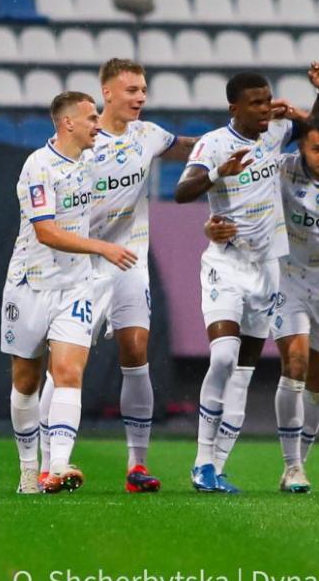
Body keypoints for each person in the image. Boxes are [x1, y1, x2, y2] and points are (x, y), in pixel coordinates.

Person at [205, 107, 319, 493]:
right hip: (288, 281)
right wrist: (211, 224)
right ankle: (292, 466)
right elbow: (237, 195)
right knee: (295, 363)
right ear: (302, 147)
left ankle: (299, 462)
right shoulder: (281, 169)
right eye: (317, 149)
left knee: (318, 380)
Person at [37, 58, 199, 494]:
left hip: (128, 259)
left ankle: (137, 464)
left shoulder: (147, 135)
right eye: (131, 90)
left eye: (143, 89)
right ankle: (48, 461)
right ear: (107, 93)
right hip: (81, 265)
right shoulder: (82, 143)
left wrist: (227, 144)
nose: (140, 97)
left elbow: (186, 146)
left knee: (136, 351)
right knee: (65, 366)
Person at [174, 68, 319, 494]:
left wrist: (317, 97)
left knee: (243, 372)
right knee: (224, 357)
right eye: (256, 103)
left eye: (267, 100)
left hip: (266, 270)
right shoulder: (213, 144)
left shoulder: (275, 132)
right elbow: (183, 192)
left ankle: (217, 469)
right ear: (235, 107)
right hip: (226, 265)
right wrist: (217, 173)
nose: (264, 109)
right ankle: (201, 461)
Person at [0, 91, 137, 495]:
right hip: (30, 284)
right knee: (26, 382)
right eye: (91, 118)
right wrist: (101, 247)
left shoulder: (91, 161)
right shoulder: (38, 166)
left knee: (68, 373)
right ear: (68, 123)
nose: (97, 124)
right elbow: (46, 231)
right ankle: (28, 470)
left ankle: (57, 464)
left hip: (76, 286)